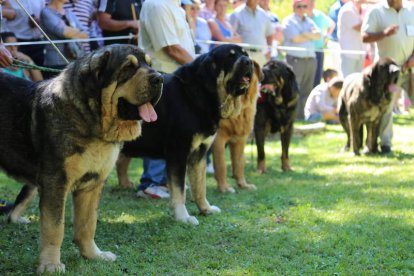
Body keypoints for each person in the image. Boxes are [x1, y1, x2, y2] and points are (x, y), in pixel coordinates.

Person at [136, 0, 195, 198]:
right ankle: (152, 183)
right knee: (158, 128)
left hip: (176, 78)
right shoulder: (158, 4)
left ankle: (167, 182)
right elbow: (171, 48)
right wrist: (199, 68)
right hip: (161, 78)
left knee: (173, 132)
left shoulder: (174, 6)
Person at [361, 0, 414, 154]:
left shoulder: (412, 10)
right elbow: (364, 37)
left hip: (410, 69)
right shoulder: (376, 11)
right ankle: (385, 144)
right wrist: (383, 34)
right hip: (388, 74)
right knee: (386, 106)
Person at [282, 0, 321, 120]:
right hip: (295, 60)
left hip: (310, 60)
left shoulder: (309, 21)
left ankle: (302, 117)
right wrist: (309, 34)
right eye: (299, 6)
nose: (302, 8)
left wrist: (304, 34)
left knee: (307, 90)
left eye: (304, 6)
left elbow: (318, 35)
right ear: (293, 7)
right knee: (294, 89)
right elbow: (295, 39)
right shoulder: (289, 21)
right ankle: (291, 116)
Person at [40, 0, 89, 79]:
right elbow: (63, 32)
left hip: (74, 61)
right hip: (56, 63)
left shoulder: (69, 12)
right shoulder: (46, 12)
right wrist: (76, 31)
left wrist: (69, 30)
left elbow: (85, 35)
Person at [229, 0, 273, 66]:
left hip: (260, 55)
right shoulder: (236, 14)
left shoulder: (264, 14)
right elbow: (231, 35)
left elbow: (269, 34)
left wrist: (269, 50)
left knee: (261, 76)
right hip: (243, 55)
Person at [3, 0, 45, 66]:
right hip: (18, 43)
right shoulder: (9, 1)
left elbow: (43, 14)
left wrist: (39, 21)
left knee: (40, 69)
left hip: (37, 41)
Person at [307, 0, 335, 86]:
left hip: (318, 50)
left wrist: (326, 36)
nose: (311, 4)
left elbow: (332, 24)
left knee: (317, 76)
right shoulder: (303, 16)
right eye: (309, 2)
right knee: (308, 77)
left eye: (313, 2)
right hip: (306, 51)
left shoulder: (319, 15)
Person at [338, 0, 366, 77]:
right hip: (349, 53)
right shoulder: (347, 10)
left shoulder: (363, 8)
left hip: (360, 52)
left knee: (358, 80)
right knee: (347, 79)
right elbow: (358, 27)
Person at [327, 0, 350, 73]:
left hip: (347, 43)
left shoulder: (350, 6)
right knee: (339, 70)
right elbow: (333, 26)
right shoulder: (336, 8)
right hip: (336, 43)